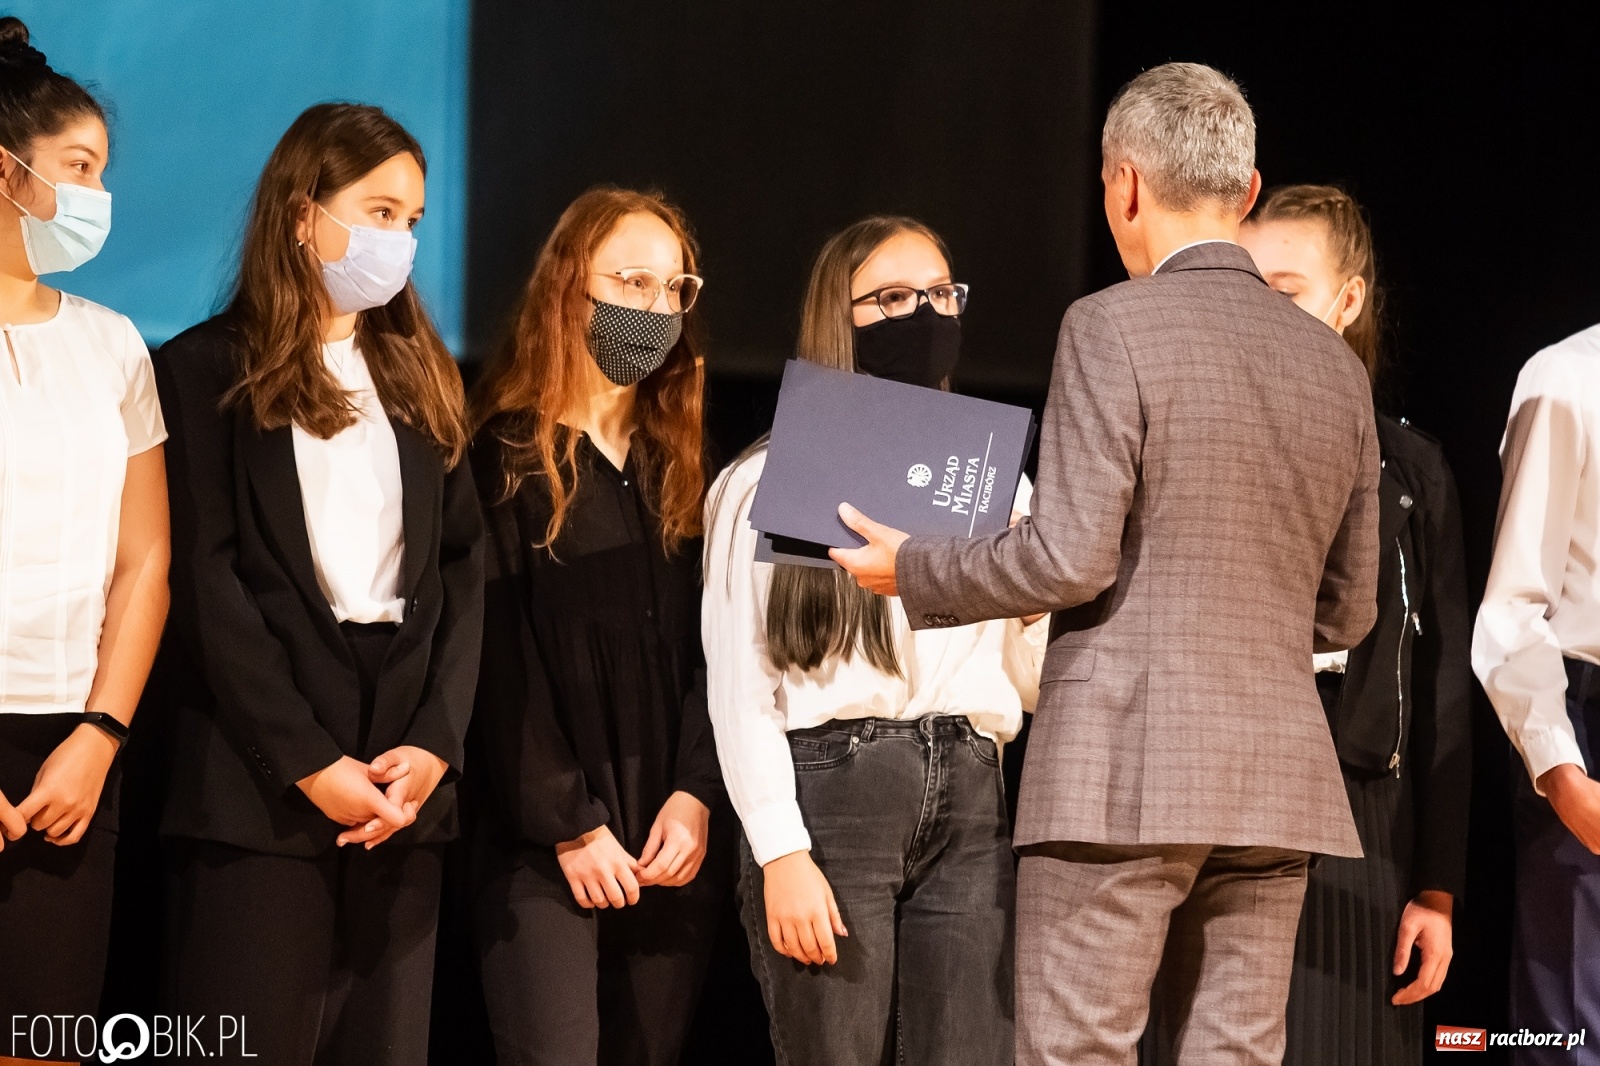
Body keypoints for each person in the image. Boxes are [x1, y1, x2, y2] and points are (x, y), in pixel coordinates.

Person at [833, 63, 1381, 1066]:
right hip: (1273, 781)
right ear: (1248, 191)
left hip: (1122, 772)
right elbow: (1348, 612)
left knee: (1078, 1052)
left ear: (1124, 185)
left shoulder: (1109, 323)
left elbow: (1069, 555)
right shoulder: (1335, 369)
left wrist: (914, 569)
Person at [153, 103, 482, 1066]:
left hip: (402, 779)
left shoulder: (422, 373)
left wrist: (435, 742)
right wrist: (305, 759)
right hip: (260, 777)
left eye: (412, 221)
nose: (400, 240)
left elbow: (465, 570)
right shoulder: (204, 370)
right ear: (305, 214)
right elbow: (206, 581)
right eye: (379, 212)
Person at [703, 216, 1047, 1065]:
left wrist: (1035, 611)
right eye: (893, 299)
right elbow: (739, 685)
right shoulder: (765, 481)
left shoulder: (996, 483)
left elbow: (1028, 685)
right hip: (836, 797)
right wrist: (781, 852)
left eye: (940, 294)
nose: (924, 315)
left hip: (971, 789)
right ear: (839, 314)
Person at [467, 186, 725, 1066]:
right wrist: (568, 821)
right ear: (570, 285)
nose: (654, 308)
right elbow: (498, 661)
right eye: (631, 282)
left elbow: (719, 651)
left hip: (670, 837)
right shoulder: (502, 456)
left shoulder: (681, 464)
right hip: (546, 846)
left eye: (672, 288)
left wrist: (696, 793)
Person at [1236, 186, 1471, 1064]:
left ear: (1348, 299)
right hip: (1222, 785)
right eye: (1249, 289)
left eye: (1287, 291)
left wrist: (1438, 887)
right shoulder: (1199, 435)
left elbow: (1445, 686)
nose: (1264, 312)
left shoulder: (1411, 468)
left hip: (1361, 801)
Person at [0, 18, 169, 1066]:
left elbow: (145, 561)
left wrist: (100, 735)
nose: (96, 194)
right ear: (5, 169)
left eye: (101, 171)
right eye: (76, 167)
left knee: (45, 1038)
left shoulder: (113, 346)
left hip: (69, 748)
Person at [1474, 254, 1600, 1056]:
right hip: (1585, 727)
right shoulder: (1568, 377)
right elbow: (1514, 604)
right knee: (1572, 1036)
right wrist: (1563, 775)